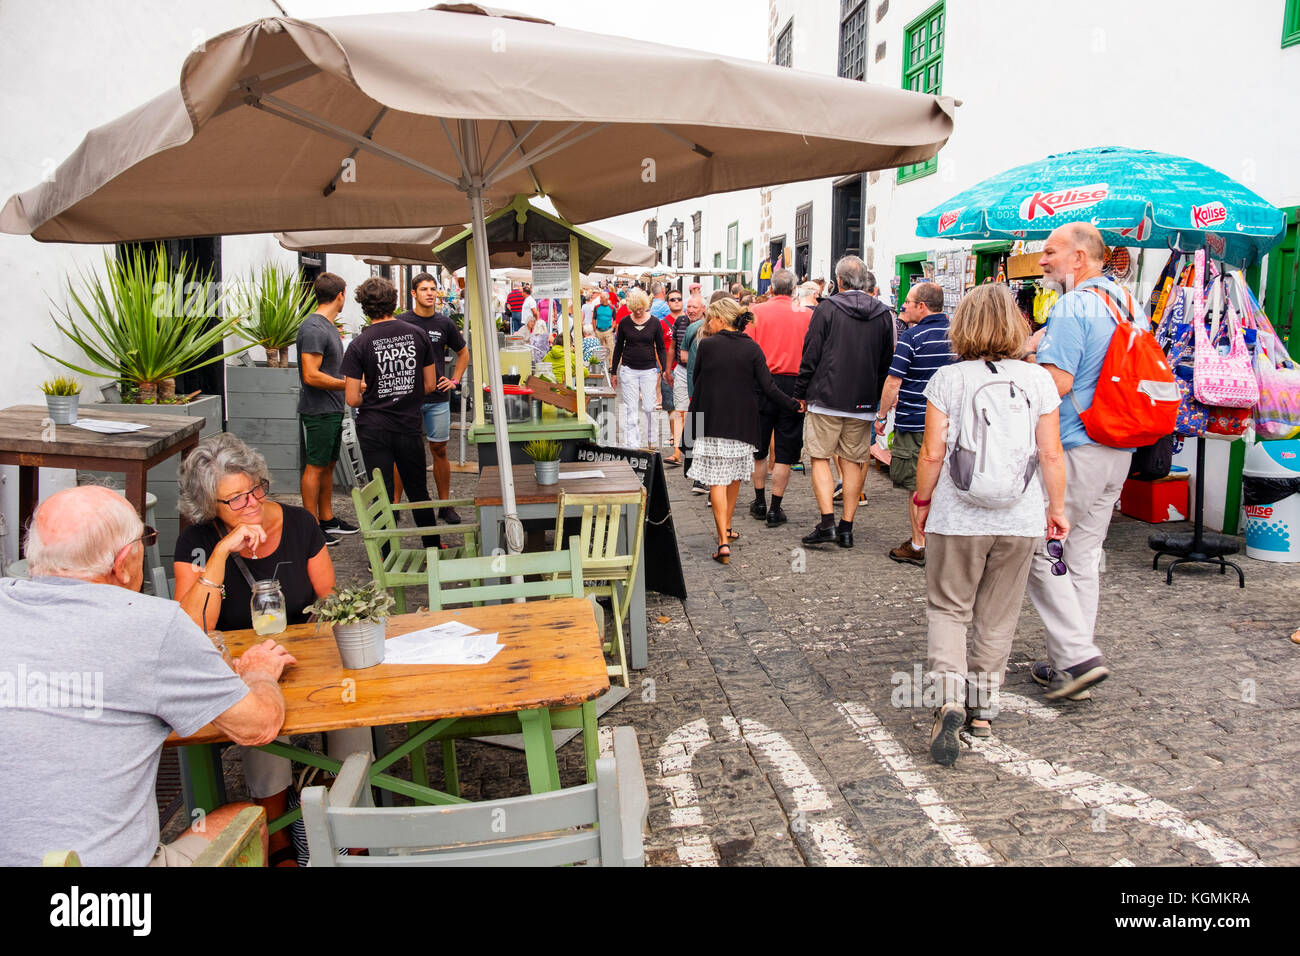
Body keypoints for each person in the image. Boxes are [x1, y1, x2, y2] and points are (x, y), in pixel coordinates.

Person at [0, 486, 294, 866]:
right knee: (239, 818)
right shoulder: (152, 625)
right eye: (145, 540)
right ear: (123, 561)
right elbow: (258, 726)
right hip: (101, 907)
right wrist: (259, 673)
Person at [173, 433, 371, 863]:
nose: (251, 504)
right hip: (244, 666)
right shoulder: (198, 542)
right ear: (211, 507)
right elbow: (189, 628)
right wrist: (223, 552)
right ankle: (278, 838)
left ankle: (352, 829)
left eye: (254, 489)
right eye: (235, 500)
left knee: (350, 713)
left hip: (308, 657)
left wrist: (315, 634)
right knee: (262, 728)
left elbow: (328, 595)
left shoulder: (300, 523)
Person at [912, 284, 1068, 765]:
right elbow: (1050, 453)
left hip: (957, 517)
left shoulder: (947, 378)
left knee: (949, 608)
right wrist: (1057, 509)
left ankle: (948, 699)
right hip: (1018, 518)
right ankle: (982, 709)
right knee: (997, 616)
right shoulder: (1039, 379)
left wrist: (920, 501)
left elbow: (933, 451)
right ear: (1017, 325)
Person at [1024, 222, 1138, 701]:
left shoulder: (1072, 305)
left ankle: (1075, 657)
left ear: (1079, 258)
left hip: (1079, 444)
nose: (1042, 260)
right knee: (1083, 557)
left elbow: (1060, 383)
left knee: (1035, 545)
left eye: (1050, 252)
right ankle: (1070, 663)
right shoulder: (1127, 302)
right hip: (1121, 446)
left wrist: (1020, 366)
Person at [688, 298, 801, 564]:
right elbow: (769, 387)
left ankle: (723, 541)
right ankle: (726, 527)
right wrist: (793, 404)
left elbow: (697, 381)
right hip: (743, 422)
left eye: (710, 318)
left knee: (717, 480)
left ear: (719, 319)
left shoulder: (707, 346)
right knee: (734, 477)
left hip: (712, 420)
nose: (708, 323)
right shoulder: (752, 348)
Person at [793, 256, 895, 549]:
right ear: (864, 280)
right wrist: (873, 396)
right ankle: (847, 526)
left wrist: (801, 392)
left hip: (826, 397)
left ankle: (827, 522)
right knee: (854, 461)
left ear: (839, 281)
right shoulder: (883, 314)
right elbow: (886, 361)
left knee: (820, 457)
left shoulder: (826, 309)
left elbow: (811, 354)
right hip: (862, 401)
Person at [341, 276, 439, 547]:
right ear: (395, 301)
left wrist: (373, 394)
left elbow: (351, 398)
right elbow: (430, 384)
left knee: (379, 492)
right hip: (408, 423)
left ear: (364, 306)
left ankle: (383, 555)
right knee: (417, 488)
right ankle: (432, 546)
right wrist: (406, 393)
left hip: (373, 427)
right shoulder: (417, 334)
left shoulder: (359, 344)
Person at [876, 282, 956, 566]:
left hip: (916, 421)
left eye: (908, 302)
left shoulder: (912, 337)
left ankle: (919, 543)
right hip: (951, 424)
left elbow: (894, 381)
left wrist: (882, 416)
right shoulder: (957, 335)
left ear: (922, 306)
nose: (903, 307)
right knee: (947, 484)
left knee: (917, 485)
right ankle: (943, 542)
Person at [400, 272, 469, 523]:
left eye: (432, 289)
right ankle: (396, 507)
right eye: (424, 289)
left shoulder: (444, 324)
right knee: (402, 450)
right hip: (408, 398)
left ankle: (445, 505)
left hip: (438, 397)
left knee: (439, 449)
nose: (430, 293)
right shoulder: (402, 322)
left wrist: (454, 380)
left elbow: (463, 354)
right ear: (413, 294)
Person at [746, 268, 812, 527]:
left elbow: (748, 350)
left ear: (771, 288)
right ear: (794, 289)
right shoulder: (806, 315)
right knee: (785, 451)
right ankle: (775, 507)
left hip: (762, 383)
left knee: (759, 449)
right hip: (794, 385)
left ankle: (759, 500)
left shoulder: (756, 313)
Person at [294, 271, 355, 544]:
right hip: (318, 409)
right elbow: (311, 374)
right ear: (340, 295)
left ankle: (327, 518)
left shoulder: (328, 325)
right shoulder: (314, 328)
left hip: (331, 408)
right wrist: (349, 385)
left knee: (328, 465)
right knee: (315, 467)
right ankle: (310, 528)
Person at [610, 288, 667, 449]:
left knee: (650, 407)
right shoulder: (625, 323)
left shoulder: (655, 322)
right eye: (635, 310)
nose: (639, 313)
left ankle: (651, 440)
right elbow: (618, 347)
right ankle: (632, 445)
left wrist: (663, 369)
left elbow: (661, 347)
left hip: (649, 369)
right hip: (628, 370)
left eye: (641, 309)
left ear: (645, 305)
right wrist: (614, 371)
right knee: (631, 408)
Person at [668, 293, 704, 466]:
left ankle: (691, 452)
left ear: (703, 309)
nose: (690, 310)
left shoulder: (708, 326)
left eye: (694, 307)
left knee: (694, 413)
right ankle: (677, 453)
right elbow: (673, 347)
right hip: (682, 371)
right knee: (680, 411)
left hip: (700, 373)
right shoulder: (680, 322)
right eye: (688, 306)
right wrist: (667, 370)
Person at [593, 291, 617, 360]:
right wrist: (595, 329)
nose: (600, 299)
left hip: (608, 331)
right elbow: (594, 318)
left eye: (601, 298)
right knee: (598, 349)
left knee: (610, 348)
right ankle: (600, 364)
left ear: (606, 299)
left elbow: (615, 320)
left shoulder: (612, 308)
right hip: (599, 330)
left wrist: (612, 328)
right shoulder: (596, 307)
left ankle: (610, 365)